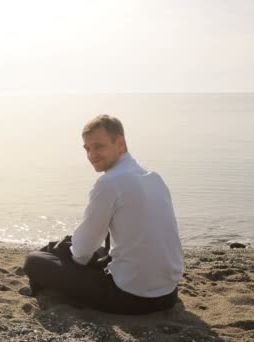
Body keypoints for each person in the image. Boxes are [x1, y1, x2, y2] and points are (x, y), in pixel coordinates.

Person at [23, 114, 184, 314]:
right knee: (71, 245)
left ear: (121, 143)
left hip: (131, 297)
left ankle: (49, 279)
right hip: (168, 294)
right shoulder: (153, 177)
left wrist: (67, 253)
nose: (92, 155)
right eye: (87, 148)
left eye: (98, 146)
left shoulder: (110, 183)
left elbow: (81, 254)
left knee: (34, 261)